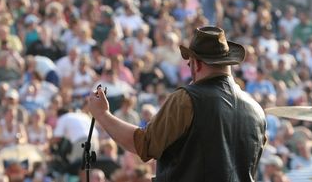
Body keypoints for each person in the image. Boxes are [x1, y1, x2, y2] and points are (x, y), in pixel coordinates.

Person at [88, 26, 267, 181]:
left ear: (196, 64)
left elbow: (143, 145)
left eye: (189, 64)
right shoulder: (257, 110)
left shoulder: (187, 99)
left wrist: (103, 115)